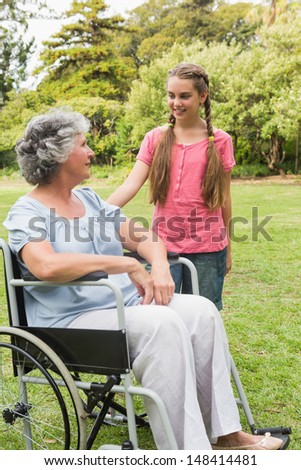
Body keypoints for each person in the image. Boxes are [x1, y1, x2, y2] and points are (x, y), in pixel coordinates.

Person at [3, 108, 284, 451]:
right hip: (70, 323)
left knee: (201, 312)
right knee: (161, 323)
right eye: (84, 144)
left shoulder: (90, 200)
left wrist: (159, 266)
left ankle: (226, 434)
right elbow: (45, 266)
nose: (91, 152)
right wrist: (126, 266)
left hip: (126, 307)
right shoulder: (26, 212)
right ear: (59, 154)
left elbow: (143, 238)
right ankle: (187, 452)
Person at [108, 63, 234, 311]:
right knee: (160, 312)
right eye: (171, 95)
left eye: (185, 96)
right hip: (163, 248)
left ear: (203, 96)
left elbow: (225, 199)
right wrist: (97, 210)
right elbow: (131, 184)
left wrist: (228, 247)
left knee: (204, 314)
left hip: (209, 248)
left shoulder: (220, 141)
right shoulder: (155, 138)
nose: (176, 102)